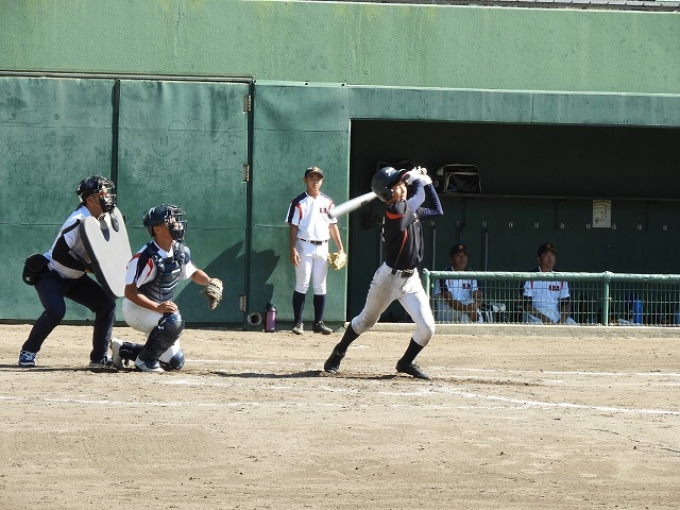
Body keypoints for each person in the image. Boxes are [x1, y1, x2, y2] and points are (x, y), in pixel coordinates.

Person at [323, 165, 443, 379]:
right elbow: (419, 197)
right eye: (398, 185)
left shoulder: (408, 209)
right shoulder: (396, 212)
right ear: (387, 193)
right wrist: (418, 180)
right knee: (365, 322)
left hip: (411, 280)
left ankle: (406, 362)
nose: (403, 187)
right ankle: (339, 351)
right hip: (388, 280)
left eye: (402, 184)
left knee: (427, 329)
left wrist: (425, 182)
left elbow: (437, 210)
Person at [18, 175, 118, 368]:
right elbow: (59, 254)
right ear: (90, 199)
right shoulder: (78, 220)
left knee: (106, 305)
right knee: (56, 311)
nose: (107, 196)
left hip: (76, 278)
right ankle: (28, 351)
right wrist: (87, 267)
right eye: (102, 193)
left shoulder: (105, 218)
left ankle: (98, 358)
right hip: (51, 274)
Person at [111, 204, 218, 372]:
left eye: (175, 219)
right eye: (169, 220)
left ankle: (123, 349)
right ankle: (144, 362)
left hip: (159, 309)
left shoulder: (179, 250)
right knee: (173, 321)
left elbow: (193, 273)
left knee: (174, 362)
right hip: (136, 308)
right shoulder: (145, 257)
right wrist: (157, 307)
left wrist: (210, 282)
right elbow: (130, 292)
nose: (175, 223)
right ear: (157, 229)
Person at [285, 166, 344, 335]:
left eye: (318, 178)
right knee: (302, 284)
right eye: (311, 178)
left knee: (320, 285)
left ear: (322, 181)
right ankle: (298, 323)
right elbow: (293, 227)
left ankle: (318, 323)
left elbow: (333, 226)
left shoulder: (328, 202)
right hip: (304, 245)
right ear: (305, 180)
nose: (315, 181)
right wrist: (293, 249)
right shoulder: (298, 202)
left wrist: (341, 248)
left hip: (323, 246)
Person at [522, 242, 576, 325]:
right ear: (539, 259)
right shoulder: (530, 276)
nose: (550, 257)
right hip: (535, 314)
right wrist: (544, 318)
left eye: (552, 255)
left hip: (554, 312)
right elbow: (526, 305)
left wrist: (561, 321)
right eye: (546, 255)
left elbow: (566, 304)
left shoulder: (561, 277)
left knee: (573, 324)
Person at [435, 243, 483, 323]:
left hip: (468, 309)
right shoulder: (443, 275)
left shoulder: (472, 274)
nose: (462, 258)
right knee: (468, 310)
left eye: (464, 255)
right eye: (458, 255)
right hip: (446, 311)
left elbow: (478, 295)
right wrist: (468, 308)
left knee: (466, 314)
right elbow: (449, 300)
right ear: (451, 259)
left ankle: (477, 331)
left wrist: (476, 305)